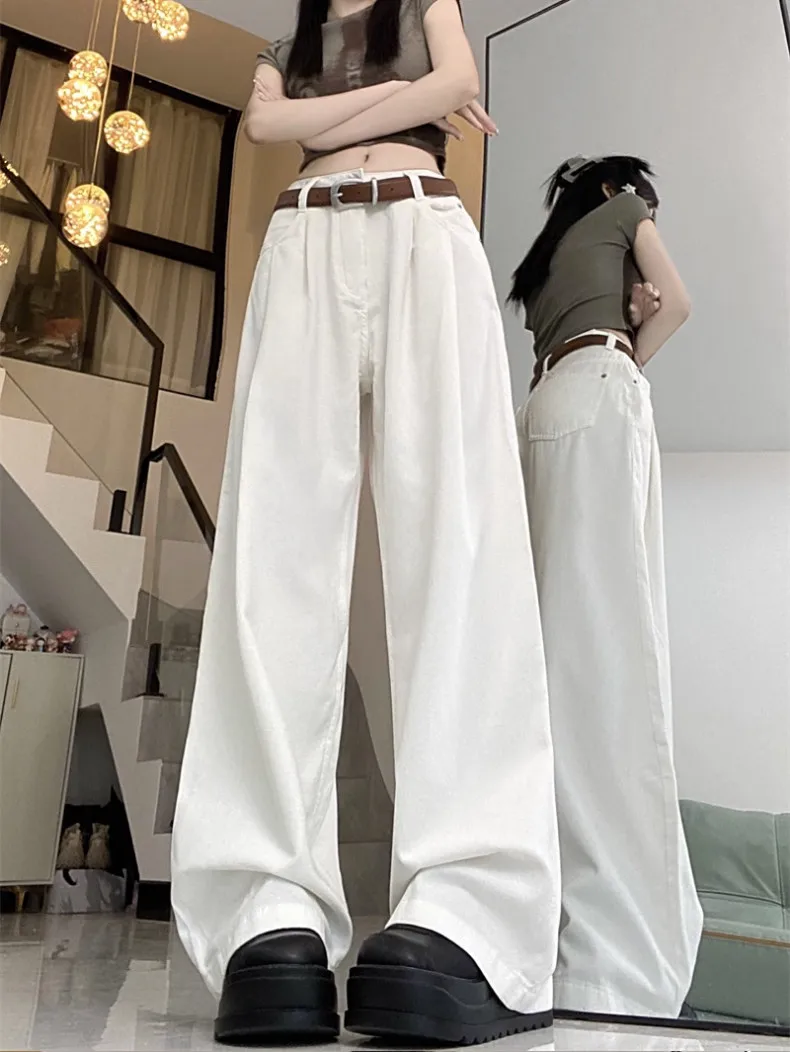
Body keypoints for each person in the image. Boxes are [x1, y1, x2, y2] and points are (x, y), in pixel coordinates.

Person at [171, 1, 561, 1046]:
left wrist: (329, 116)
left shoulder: (426, 0)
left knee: (460, 551)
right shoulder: (282, 42)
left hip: (424, 228)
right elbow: (268, 126)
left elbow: (449, 83)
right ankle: (266, 901)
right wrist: (405, 100)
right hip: (302, 240)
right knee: (271, 565)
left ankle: (474, 905)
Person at [509, 155, 704, 1018]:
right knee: (612, 648)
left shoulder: (542, 261)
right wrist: (636, 344)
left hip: (539, 409)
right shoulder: (622, 205)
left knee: (547, 658)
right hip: (597, 386)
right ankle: (617, 941)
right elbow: (680, 302)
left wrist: (625, 306)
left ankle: (542, 915)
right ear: (614, 188)